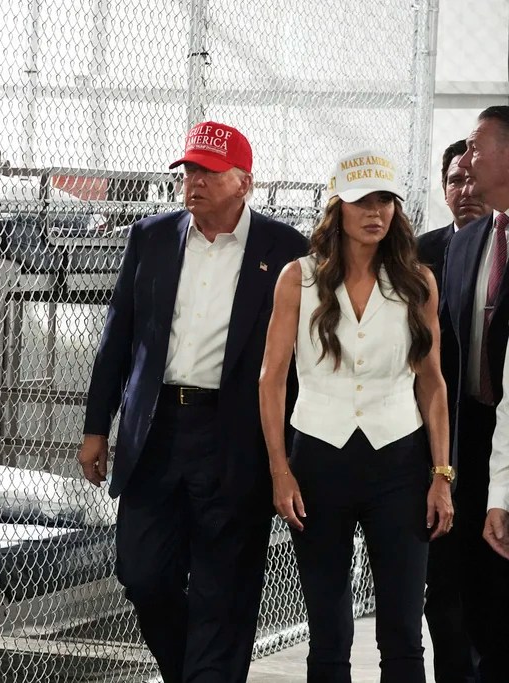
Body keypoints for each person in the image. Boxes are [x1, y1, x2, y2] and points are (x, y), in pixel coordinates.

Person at [77, 121, 306, 682]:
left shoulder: (287, 251)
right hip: (154, 432)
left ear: (244, 184)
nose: (195, 181)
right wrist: (96, 426)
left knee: (223, 588)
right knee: (142, 574)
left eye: (209, 171)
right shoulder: (151, 237)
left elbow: (299, 364)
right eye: (190, 170)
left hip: (236, 435)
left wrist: (288, 455)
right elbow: (119, 338)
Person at [260, 149, 454, 683]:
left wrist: (441, 475)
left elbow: (432, 383)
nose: (375, 212)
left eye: (385, 200)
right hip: (318, 460)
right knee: (328, 630)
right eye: (361, 200)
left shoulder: (417, 281)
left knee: (402, 631)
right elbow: (271, 379)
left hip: (400, 462)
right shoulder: (296, 279)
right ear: (336, 208)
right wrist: (280, 468)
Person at [444, 105, 509, 682]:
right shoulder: (464, 246)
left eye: (474, 147)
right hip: (466, 445)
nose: (465, 162)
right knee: (468, 594)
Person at [418, 139, 486, 683]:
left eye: (472, 177)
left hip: (492, 436)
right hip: (434, 446)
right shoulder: (419, 255)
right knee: (443, 591)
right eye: (454, 180)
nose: (465, 191)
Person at [418, 139, 489, 292]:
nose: (467, 191)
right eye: (456, 181)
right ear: (444, 191)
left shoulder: (504, 249)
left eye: (475, 180)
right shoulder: (418, 251)